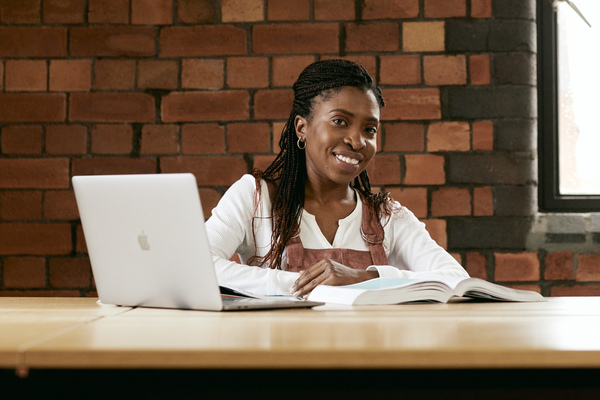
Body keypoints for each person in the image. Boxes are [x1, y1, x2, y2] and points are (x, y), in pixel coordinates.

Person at [205, 59, 468, 297]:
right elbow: (197, 266)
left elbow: (456, 280)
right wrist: (303, 284)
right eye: (340, 121)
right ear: (301, 128)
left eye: (369, 129)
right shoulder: (256, 198)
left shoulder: (387, 217)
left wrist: (367, 277)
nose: (357, 140)